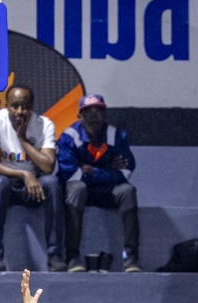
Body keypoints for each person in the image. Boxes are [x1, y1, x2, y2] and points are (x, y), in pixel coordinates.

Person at [0, 85, 61, 272]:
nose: (20, 112)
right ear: (6, 105)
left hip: (31, 189)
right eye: (14, 106)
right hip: (1, 185)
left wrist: (22, 139)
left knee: (52, 183)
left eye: (25, 106)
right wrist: (25, 173)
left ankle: (55, 257)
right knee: (0, 182)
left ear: (32, 106)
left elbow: (48, 167)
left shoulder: (44, 124)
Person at [57, 94, 141, 273]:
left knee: (127, 191)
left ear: (105, 115)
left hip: (107, 191)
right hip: (81, 192)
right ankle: (72, 257)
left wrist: (92, 171)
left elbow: (125, 172)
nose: (94, 116)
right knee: (76, 188)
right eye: (88, 112)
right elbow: (71, 175)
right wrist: (109, 170)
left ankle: (130, 258)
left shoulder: (117, 135)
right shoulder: (68, 137)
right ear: (79, 117)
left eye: (98, 111)